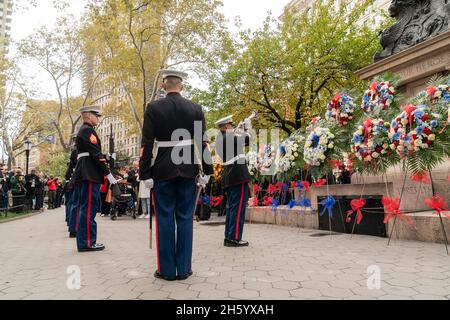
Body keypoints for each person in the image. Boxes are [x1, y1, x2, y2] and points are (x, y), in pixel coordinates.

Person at [139, 69, 213, 281]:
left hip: (162, 170)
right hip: (188, 168)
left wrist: (145, 173)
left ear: (164, 86)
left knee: (164, 219)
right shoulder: (195, 108)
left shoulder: (153, 108)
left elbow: (146, 144)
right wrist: (207, 171)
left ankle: (167, 270)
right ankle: (184, 268)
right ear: (181, 86)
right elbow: (202, 142)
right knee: (185, 219)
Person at [71, 105, 117, 252]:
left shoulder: (84, 130)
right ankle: (87, 242)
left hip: (86, 171)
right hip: (89, 172)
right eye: (96, 115)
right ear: (89, 116)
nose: (98, 118)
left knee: (86, 207)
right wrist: (109, 175)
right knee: (89, 208)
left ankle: (85, 241)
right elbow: (97, 156)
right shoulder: (88, 131)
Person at [215, 115, 252, 247]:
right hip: (237, 174)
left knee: (231, 207)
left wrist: (240, 130)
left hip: (230, 175)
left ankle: (229, 236)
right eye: (231, 125)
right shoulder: (229, 137)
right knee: (237, 208)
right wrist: (247, 128)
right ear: (226, 126)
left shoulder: (221, 138)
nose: (232, 126)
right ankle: (234, 237)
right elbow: (248, 140)